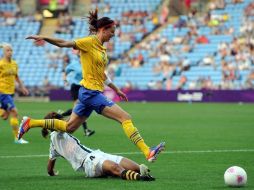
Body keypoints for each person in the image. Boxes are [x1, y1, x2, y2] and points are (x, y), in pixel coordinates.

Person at [20, 8, 165, 162]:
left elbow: (102, 74)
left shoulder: (102, 49)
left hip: (88, 93)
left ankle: (30, 122)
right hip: (90, 92)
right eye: (112, 31)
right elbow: (64, 43)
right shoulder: (88, 42)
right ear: (103, 29)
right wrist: (44, 37)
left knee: (69, 127)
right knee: (125, 117)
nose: (114, 34)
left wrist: (117, 90)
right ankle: (147, 151)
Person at [43, 112, 155, 181]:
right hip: (88, 162)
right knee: (115, 167)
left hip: (96, 153)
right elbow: (67, 123)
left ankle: (139, 172)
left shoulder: (55, 143)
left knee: (135, 167)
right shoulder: (56, 135)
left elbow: (49, 169)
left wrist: (52, 173)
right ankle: (140, 178)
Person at [61, 49, 95, 137]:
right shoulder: (74, 64)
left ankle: (61, 118)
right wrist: (65, 79)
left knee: (79, 109)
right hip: (75, 87)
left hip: (84, 87)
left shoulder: (88, 64)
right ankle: (85, 130)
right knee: (78, 108)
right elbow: (66, 71)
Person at [0, 43, 29, 144]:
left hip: (11, 92)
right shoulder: (1, 64)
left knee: (4, 116)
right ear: (4, 52)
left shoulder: (14, 64)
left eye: (11, 50)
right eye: (8, 50)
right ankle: (17, 138)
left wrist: (22, 87)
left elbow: (16, 76)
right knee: (14, 112)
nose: (10, 52)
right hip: (2, 92)